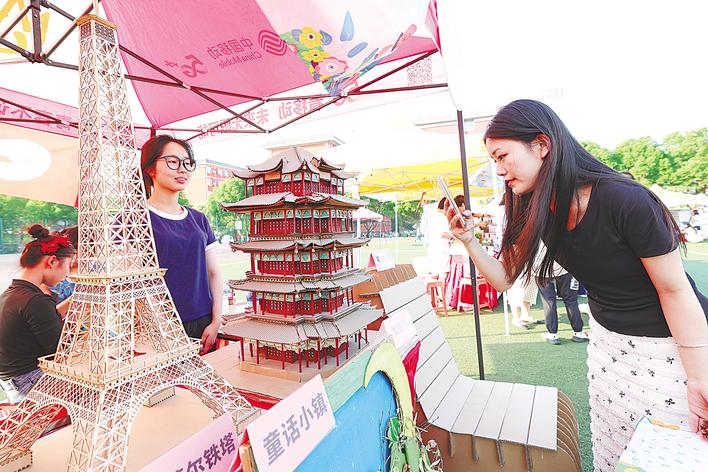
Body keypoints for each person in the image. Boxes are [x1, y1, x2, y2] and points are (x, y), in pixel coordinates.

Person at [445, 99, 708, 470]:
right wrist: (469, 241)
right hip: (607, 348)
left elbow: (675, 290)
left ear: (542, 145)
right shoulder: (532, 205)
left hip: (669, 349)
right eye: (494, 160)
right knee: (613, 454)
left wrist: (699, 376)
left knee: (671, 458)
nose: (499, 170)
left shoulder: (626, 200)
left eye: (503, 156)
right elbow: (504, 279)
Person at [141, 135, 222, 354]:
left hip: (204, 323)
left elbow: (214, 273)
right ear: (150, 168)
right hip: (158, 328)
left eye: (187, 163)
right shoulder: (134, 219)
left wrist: (216, 321)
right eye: (172, 162)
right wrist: (165, 329)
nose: (182, 169)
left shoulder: (198, 219)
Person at [0, 225, 75, 403]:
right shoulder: (36, 301)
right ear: (52, 261)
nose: (67, 273)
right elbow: (60, 353)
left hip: (13, 381)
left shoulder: (11, 294)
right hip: (31, 380)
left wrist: (73, 304)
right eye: (68, 265)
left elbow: (40, 323)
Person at [534, 246, 588, 344]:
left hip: (542, 267)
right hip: (565, 266)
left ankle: (552, 334)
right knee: (571, 300)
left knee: (549, 301)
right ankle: (578, 332)